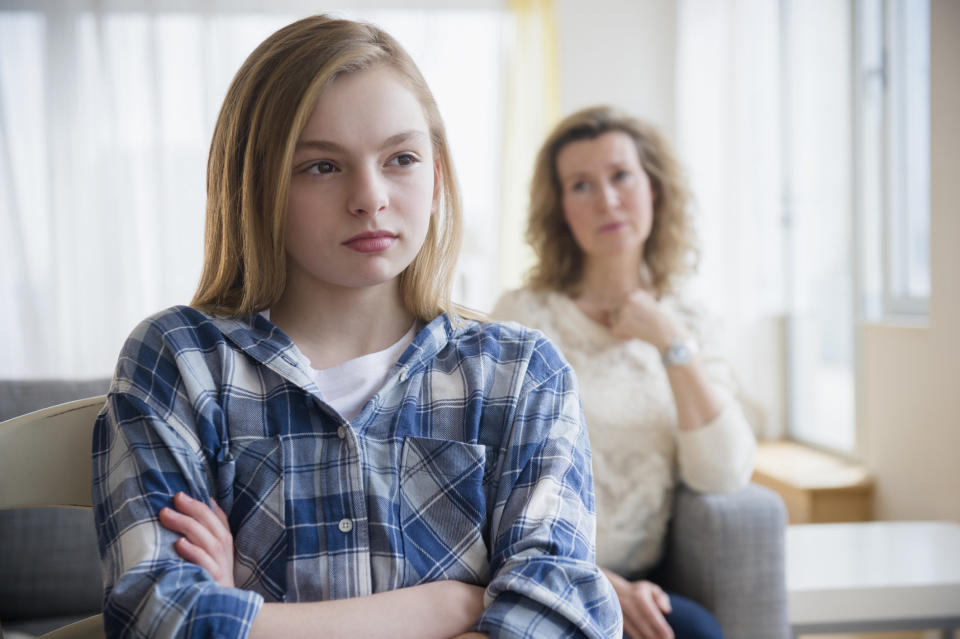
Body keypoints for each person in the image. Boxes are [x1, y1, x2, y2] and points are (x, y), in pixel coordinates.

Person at [91, 17, 621, 639]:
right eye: (321, 167)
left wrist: (253, 619)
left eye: (401, 158)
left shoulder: (521, 373)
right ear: (257, 186)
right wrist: (447, 607)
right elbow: (158, 619)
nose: (369, 197)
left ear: (437, 178)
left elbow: (568, 616)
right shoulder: (179, 360)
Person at [491, 106, 756, 639]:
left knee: (698, 632)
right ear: (562, 209)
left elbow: (723, 474)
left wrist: (671, 341)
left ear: (653, 187)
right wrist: (598, 581)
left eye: (621, 177)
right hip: (538, 569)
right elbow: (491, 477)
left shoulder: (693, 321)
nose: (607, 200)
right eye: (581, 185)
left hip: (644, 580)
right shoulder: (524, 316)